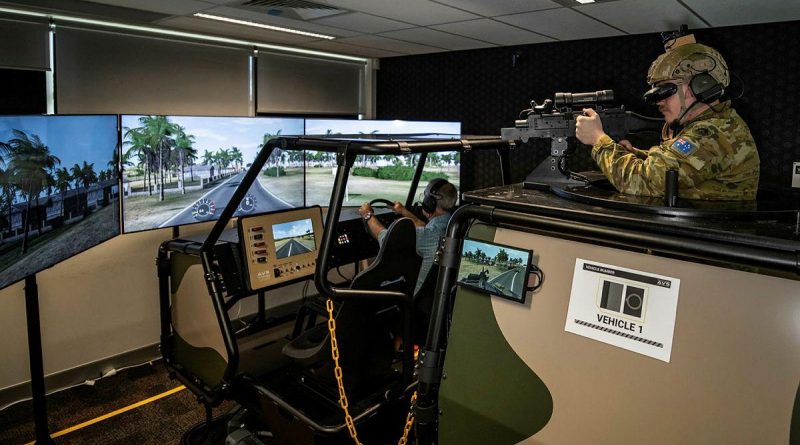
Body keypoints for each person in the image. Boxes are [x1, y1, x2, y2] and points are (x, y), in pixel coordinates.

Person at [575, 35, 760, 200]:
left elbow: (642, 183)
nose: (659, 101)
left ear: (699, 87)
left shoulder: (711, 133)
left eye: (666, 91)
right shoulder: (716, 124)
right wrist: (635, 154)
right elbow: (674, 167)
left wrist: (598, 140)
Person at [358, 178, 457, 296]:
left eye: (425, 196)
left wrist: (368, 215)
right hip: (436, 297)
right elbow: (425, 228)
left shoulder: (431, 234)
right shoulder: (451, 226)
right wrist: (403, 211)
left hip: (417, 304)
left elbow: (386, 239)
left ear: (430, 202)